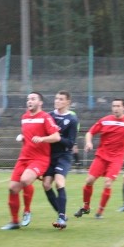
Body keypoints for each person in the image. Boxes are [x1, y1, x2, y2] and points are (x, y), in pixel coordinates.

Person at [74, 98, 124, 219]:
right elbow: (89, 133)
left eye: (118, 106)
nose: (116, 108)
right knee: (89, 180)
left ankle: (100, 212)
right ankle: (86, 207)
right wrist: (89, 143)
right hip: (101, 156)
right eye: (114, 106)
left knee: (107, 183)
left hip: (116, 159)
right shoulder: (105, 120)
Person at [1, 92, 61, 230]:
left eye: (33, 99)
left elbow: (56, 136)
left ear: (40, 103)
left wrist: (43, 139)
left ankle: (27, 210)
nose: (29, 101)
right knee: (12, 189)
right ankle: (14, 222)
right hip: (24, 158)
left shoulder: (45, 117)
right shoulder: (24, 117)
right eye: (28, 99)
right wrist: (23, 137)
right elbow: (29, 135)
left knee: (25, 180)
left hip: (40, 159)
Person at [40, 90, 78, 229]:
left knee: (59, 182)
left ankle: (61, 218)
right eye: (56, 98)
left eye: (61, 99)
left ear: (68, 102)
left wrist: (57, 137)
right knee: (46, 185)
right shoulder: (49, 116)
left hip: (63, 155)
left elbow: (70, 142)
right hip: (49, 155)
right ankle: (61, 213)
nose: (57, 101)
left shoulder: (72, 120)